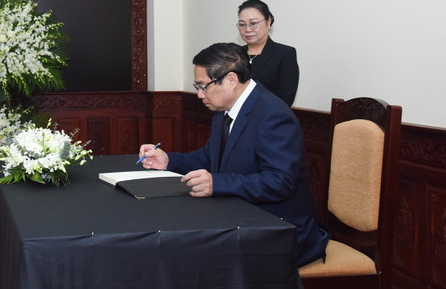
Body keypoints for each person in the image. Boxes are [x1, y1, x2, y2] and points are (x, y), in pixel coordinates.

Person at [138, 42, 328, 267]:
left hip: (280, 227)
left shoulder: (274, 115)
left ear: (230, 80)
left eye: (203, 86)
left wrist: (216, 183)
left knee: (197, 254)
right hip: (241, 215)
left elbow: (281, 182)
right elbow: (212, 157)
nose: (199, 95)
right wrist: (169, 160)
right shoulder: (225, 108)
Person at [237, 0, 298, 107]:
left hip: (268, 120)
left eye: (253, 23)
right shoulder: (234, 54)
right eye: (242, 25)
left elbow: (285, 100)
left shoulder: (285, 54)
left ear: (268, 21)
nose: (247, 29)